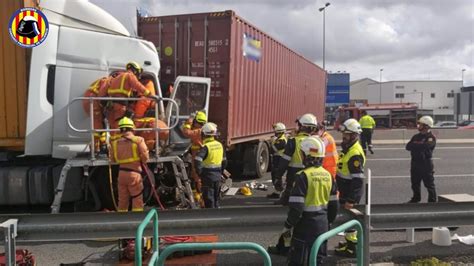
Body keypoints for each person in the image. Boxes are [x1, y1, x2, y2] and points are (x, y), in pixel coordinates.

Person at [282, 136, 336, 265]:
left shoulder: (302, 176)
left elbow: (297, 209)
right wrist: (329, 222)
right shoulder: (328, 175)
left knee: (299, 260)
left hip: (304, 227)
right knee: (319, 260)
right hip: (322, 225)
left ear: (306, 155)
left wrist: (288, 225)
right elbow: (334, 205)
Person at [334, 118, 365, 257]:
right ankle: (349, 243)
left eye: (346, 135)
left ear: (353, 135)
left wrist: (351, 199)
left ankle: (352, 248)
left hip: (349, 193)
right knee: (347, 220)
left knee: (349, 221)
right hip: (345, 190)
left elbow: (358, 180)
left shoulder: (354, 153)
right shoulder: (348, 149)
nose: (343, 137)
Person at [274, 114, 318, 205]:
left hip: (294, 173)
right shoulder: (316, 142)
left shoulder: (293, 141)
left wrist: (278, 176)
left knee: (291, 191)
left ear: (302, 126)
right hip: (311, 173)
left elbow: (284, 161)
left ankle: (286, 201)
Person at [110, 117, 149, 212]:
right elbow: (145, 156)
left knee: (122, 201)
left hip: (121, 174)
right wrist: (143, 162)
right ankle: (137, 220)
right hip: (134, 174)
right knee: (137, 199)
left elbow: (112, 159)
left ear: (120, 129)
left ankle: (122, 221)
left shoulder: (114, 143)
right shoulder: (138, 140)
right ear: (132, 128)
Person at [106, 62, 153, 131]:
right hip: (120, 105)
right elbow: (138, 85)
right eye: (137, 74)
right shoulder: (130, 75)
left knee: (113, 125)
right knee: (119, 124)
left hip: (111, 105)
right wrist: (150, 95)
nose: (138, 77)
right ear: (135, 71)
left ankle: (114, 140)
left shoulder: (118, 76)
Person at [194, 122, 227, 208]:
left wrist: (200, 173)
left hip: (207, 177)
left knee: (209, 200)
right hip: (217, 176)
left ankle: (211, 218)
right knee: (216, 198)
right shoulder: (220, 145)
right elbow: (224, 161)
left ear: (204, 134)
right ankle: (217, 216)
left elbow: (197, 160)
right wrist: (221, 172)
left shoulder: (206, 146)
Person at [406, 115, 437, 203]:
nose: (419, 126)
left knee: (429, 184)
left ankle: (432, 201)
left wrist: (415, 146)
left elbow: (426, 146)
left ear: (426, 126)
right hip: (415, 163)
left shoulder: (431, 137)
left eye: (421, 124)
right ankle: (416, 198)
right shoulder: (416, 136)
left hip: (426, 164)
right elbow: (408, 146)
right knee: (415, 183)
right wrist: (418, 145)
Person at [316, 121, 339, 224]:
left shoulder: (326, 138)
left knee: (331, 188)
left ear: (322, 130)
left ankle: (333, 205)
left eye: (317, 131)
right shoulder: (324, 137)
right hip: (327, 166)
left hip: (330, 166)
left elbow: (318, 148)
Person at [182, 111, 208, 193]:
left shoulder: (198, 132)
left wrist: (189, 121)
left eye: (194, 122)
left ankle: (202, 196)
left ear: (197, 122)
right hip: (202, 155)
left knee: (198, 176)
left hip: (197, 154)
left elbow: (186, 132)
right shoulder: (204, 130)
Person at [267, 122, 288, 199]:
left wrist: (271, 142)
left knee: (277, 177)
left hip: (279, 161)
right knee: (275, 176)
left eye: (275, 131)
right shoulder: (280, 139)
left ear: (279, 132)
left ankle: (279, 192)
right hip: (278, 160)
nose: (274, 133)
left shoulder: (281, 141)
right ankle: (277, 191)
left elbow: (272, 150)